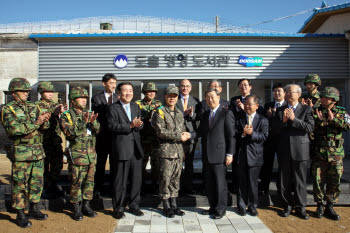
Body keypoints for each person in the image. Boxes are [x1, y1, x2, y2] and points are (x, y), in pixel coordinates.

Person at [1, 78, 50, 228]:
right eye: (23, 91)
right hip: (22, 153)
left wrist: (45, 120)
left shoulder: (33, 106)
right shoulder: (7, 109)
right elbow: (15, 130)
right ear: (14, 93)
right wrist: (36, 123)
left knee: (37, 182)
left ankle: (34, 208)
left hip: (37, 152)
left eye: (27, 91)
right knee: (20, 184)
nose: (26, 94)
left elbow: (44, 127)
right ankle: (20, 213)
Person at [60, 87, 100, 221]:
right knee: (76, 182)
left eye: (85, 98)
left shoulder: (88, 113)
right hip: (77, 155)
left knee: (89, 182)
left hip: (90, 154)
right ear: (73, 100)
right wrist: (84, 122)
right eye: (80, 98)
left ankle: (86, 205)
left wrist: (93, 121)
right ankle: (76, 207)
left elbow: (98, 129)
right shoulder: (67, 115)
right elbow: (69, 133)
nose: (84, 101)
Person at [275, 84, 314, 220]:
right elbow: (275, 130)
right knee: (284, 180)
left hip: (300, 149)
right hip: (284, 150)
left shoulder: (306, 109)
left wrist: (294, 120)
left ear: (298, 94)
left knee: (300, 180)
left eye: (291, 92)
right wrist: (284, 121)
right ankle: (286, 205)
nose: (288, 94)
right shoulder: (280, 110)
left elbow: (309, 127)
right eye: (287, 92)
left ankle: (301, 207)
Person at [107, 82, 144, 219]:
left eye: (130, 90)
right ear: (119, 93)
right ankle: (118, 208)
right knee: (120, 181)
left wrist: (139, 125)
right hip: (121, 149)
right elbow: (112, 126)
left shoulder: (135, 106)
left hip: (136, 149)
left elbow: (139, 124)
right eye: (125, 91)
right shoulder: (113, 108)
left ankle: (134, 205)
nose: (128, 93)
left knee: (136, 180)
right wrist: (130, 125)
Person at [311, 87, 350, 220]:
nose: (322, 99)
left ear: (333, 99)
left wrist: (333, 120)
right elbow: (311, 129)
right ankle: (320, 205)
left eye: (325, 97)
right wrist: (320, 122)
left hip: (336, 154)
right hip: (319, 153)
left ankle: (330, 205)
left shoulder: (341, 111)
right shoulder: (316, 111)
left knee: (334, 181)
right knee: (318, 180)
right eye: (322, 97)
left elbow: (347, 126)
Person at [152, 85, 191, 217]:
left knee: (175, 179)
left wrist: (185, 139)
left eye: (175, 96)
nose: (172, 98)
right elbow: (160, 132)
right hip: (166, 153)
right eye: (170, 96)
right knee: (165, 179)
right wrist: (178, 136)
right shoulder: (160, 112)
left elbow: (183, 130)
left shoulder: (180, 113)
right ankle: (166, 205)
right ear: (165, 97)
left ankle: (174, 204)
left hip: (178, 152)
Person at [198, 88, 235, 219]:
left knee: (220, 184)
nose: (210, 99)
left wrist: (230, 153)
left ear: (219, 97)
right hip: (207, 155)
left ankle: (221, 209)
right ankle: (212, 207)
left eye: (212, 97)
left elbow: (231, 135)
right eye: (207, 97)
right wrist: (188, 135)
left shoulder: (226, 113)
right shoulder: (205, 114)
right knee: (209, 184)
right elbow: (200, 132)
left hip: (220, 154)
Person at [235, 95, 268, 216]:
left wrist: (252, 133)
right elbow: (235, 135)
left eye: (250, 104)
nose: (247, 106)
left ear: (257, 106)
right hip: (242, 156)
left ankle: (253, 206)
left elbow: (264, 137)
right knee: (242, 183)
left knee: (253, 183)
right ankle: (241, 206)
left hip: (255, 157)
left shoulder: (263, 120)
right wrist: (243, 134)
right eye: (246, 104)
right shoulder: (239, 119)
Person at [36, 81, 66, 196]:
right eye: (47, 92)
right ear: (41, 92)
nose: (50, 94)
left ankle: (53, 183)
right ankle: (44, 187)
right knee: (44, 165)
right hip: (43, 140)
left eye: (51, 92)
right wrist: (53, 113)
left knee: (57, 163)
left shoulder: (55, 105)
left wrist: (61, 114)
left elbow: (62, 122)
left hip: (55, 139)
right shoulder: (36, 106)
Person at [91, 73, 118, 198]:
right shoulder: (97, 98)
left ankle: (113, 188)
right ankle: (98, 189)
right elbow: (101, 113)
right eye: (111, 83)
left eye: (115, 83)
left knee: (114, 164)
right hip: (102, 137)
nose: (113, 85)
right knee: (100, 164)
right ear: (104, 83)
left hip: (115, 137)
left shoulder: (118, 97)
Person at [259, 83, 286, 203]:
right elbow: (263, 121)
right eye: (275, 91)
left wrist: (275, 115)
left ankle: (282, 190)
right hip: (269, 140)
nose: (277, 93)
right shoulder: (268, 105)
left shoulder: (287, 106)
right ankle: (264, 188)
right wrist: (268, 115)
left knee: (282, 166)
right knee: (267, 166)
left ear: (284, 93)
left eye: (279, 91)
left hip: (282, 141)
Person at [135, 82, 162, 194]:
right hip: (143, 139)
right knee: (141, 164)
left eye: (153, 91)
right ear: (144, 92)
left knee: (156, 165)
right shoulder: (138, 104)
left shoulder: (159, 104)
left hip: (155, 140)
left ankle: (155, 186)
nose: (151, 93)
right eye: (148, 91)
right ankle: (140, 187)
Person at [176, 79, 200, 194]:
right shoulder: (174, 99)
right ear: (179, 87)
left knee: (189, 163)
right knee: (178, 163)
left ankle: (189, 187)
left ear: (190, 88)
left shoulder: (195, 101)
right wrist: (183, 114)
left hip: (190, 136)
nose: (185, 88)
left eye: (187, 86)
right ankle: (177, 187)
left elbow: (199, 118)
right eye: (182, 86)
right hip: (178, 136)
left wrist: (191, 114)